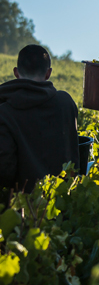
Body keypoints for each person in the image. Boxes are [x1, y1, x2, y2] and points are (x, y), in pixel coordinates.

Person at [0, 45, 80, 196]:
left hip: (24, 210)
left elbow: (4, 171)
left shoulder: (4, 113)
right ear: (48, 73)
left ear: (16, 72)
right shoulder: (65, 103)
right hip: (66, 204)